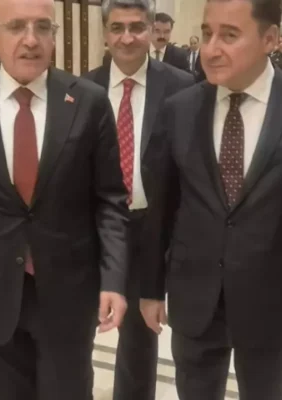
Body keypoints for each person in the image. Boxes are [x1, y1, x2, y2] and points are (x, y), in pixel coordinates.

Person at [0, 0, 130, 398]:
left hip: (69, 294)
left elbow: (110, 200)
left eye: (42, 27)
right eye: (17, 26)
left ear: (54, 35)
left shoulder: (88, 102)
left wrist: (114, 279)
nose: (31, 40)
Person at [140, 0, 282, 399]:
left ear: (269, 39)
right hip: (194, 297)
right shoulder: (180, 110)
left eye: (229, 35)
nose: (211, 48)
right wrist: (150, 288)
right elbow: (162, 207)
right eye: (207, 33)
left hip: (271, 302)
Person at [83, 1, 193, 399]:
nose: (127, 37)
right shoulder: (83, 89)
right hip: (93, 228)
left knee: (141, 335)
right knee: (77, 331)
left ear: (151, 29)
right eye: (117, 28)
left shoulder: (182, 87)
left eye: (136, 27)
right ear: (105, 32)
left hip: (152, 228)